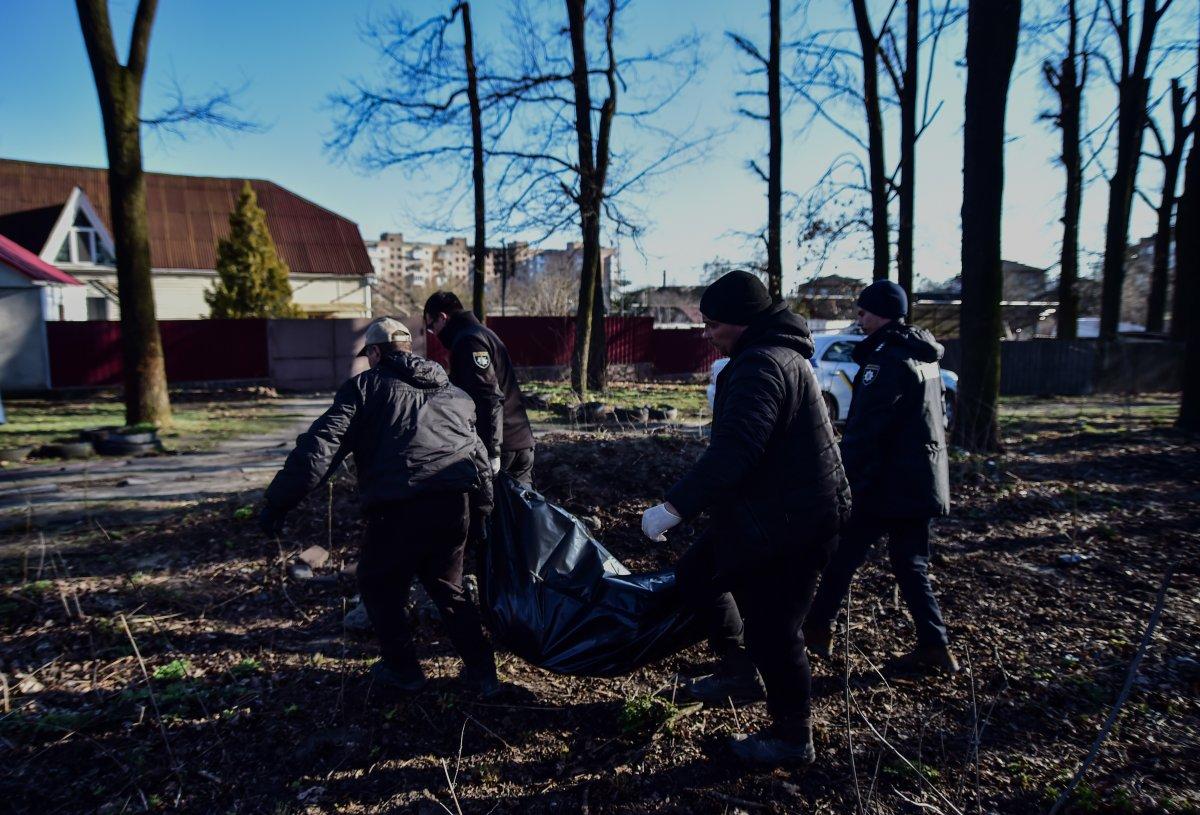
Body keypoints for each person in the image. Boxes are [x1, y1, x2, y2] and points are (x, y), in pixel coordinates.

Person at [641, 270, 851, 766]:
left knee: (775, 630)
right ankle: (738, 672)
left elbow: (735, 453)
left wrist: (673, 507)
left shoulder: (761, 366)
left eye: (713, 324)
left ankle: (792, 738)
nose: (707, 333)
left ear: (741, 322)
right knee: (697, 575)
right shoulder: (773, 356)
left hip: (796, 520)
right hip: (768, 509)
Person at [258, 317, 501, 696]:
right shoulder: (454, 394)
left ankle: (403, 670)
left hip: (399, 510)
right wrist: (485, 511)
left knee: (378, 586)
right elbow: (479, 456)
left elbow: (318, 450)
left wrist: (277, 503)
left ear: (375, 352)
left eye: (368, 355)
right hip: (454, 508)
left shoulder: (364, 389)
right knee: (449, 589)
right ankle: (484, 673)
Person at [804, 280, 958, 674]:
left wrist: (842, 477)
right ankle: (934, 645)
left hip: (886, 483)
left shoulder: (886, 359)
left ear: (882, 313)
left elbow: (867, 429)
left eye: (863, 312)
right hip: (920, 480)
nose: (859, 319)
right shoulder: (923, 354)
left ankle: (817, 629)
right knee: (910, 563)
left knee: (844, 555)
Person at [424, 292, 535, 486]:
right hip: (518, 440)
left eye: (431, 326)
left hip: (504, 447)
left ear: (443, 317)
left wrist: (493, 451)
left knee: (495, 512)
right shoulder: (480, 333)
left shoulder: (469, 341)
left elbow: (489, 396)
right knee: (521, 512)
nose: (433, 332)